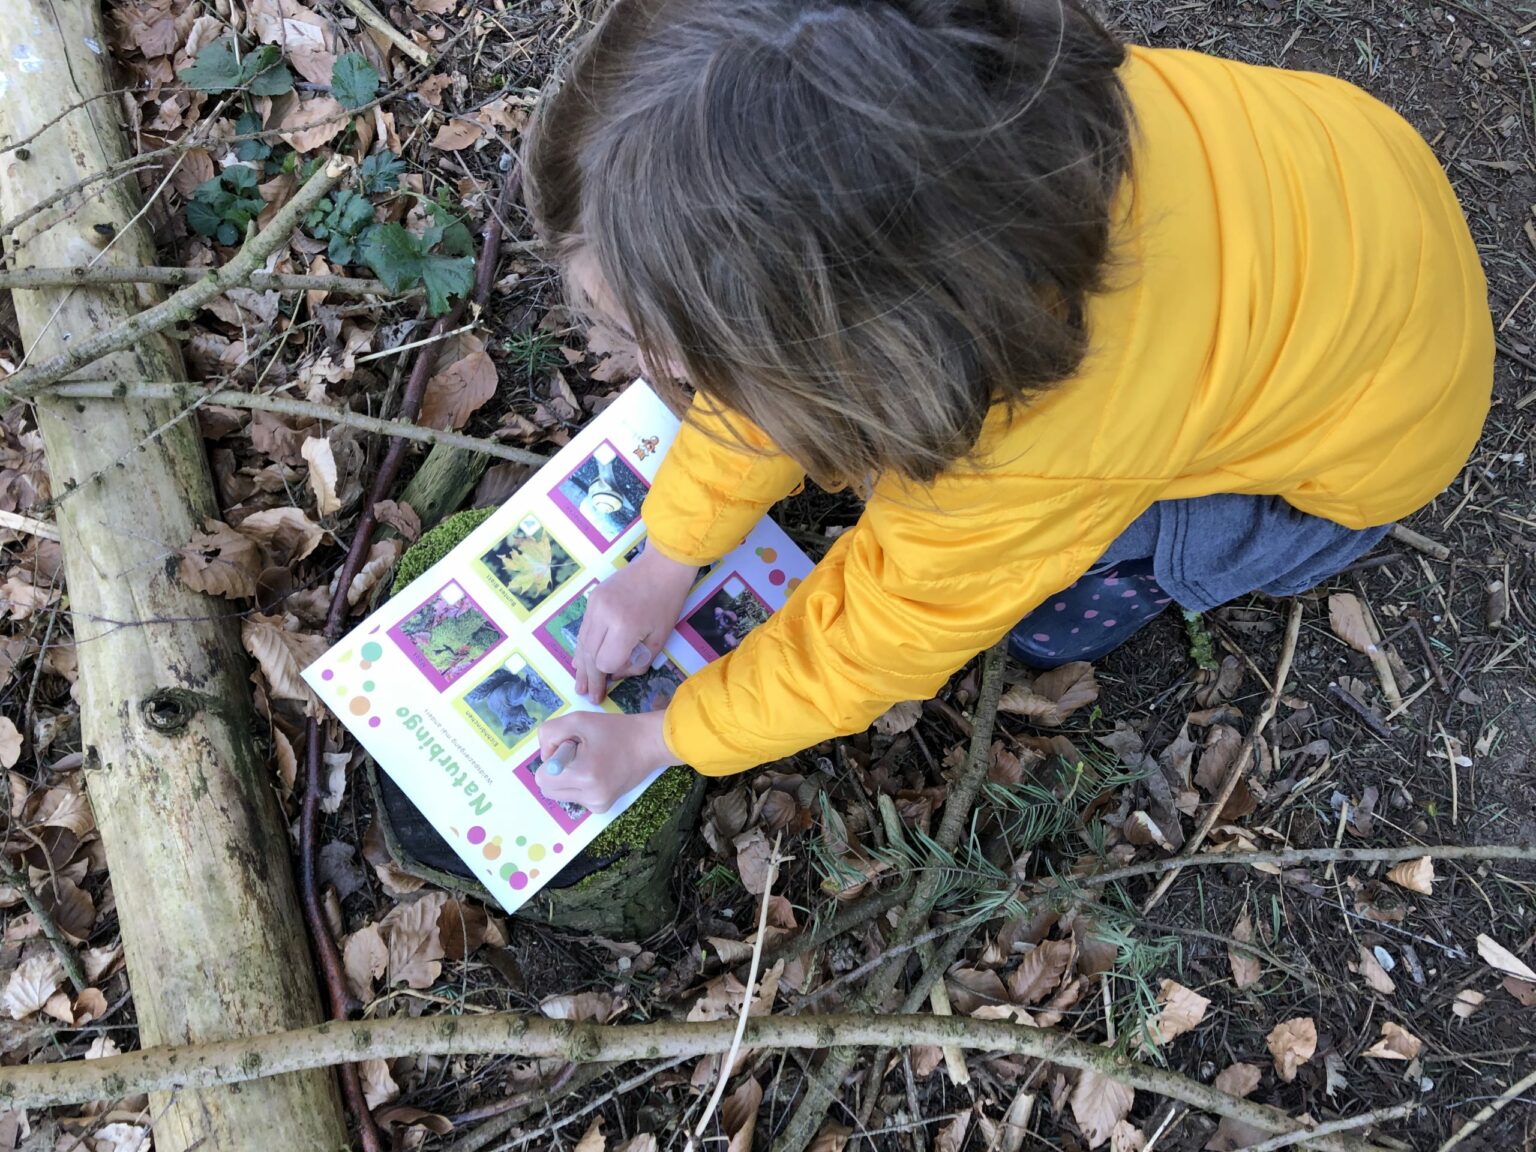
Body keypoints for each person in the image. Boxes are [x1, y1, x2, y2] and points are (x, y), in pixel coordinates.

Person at [528, 0, 1493, 812]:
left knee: (1041, 616)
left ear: (865, 348)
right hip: (1351, 185)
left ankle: (1193, 557)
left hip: (1380, 442)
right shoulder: (981, 116)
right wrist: (670, 555)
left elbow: (877, 641)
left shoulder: (1036, 451)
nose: (648, 366)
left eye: (673, 348)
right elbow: (778, 318)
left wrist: (662, 738)